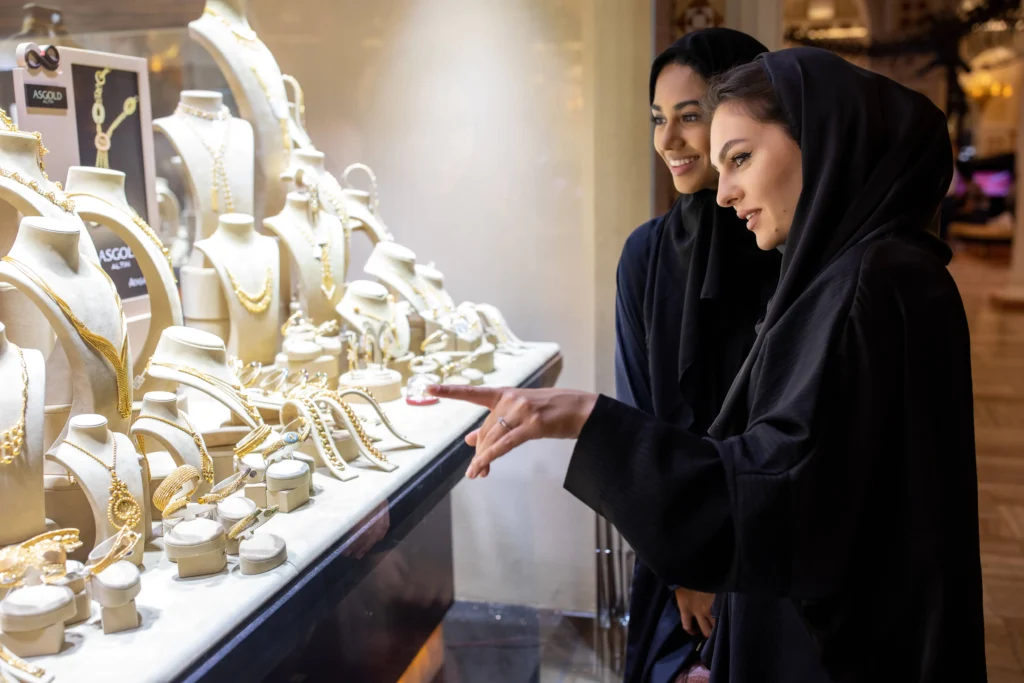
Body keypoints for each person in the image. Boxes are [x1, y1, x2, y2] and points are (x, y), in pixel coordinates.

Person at [429, 47, 986, 682]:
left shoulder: (867, 284)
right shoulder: (871, 273)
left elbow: (784, 490)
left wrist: (587, 419)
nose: (725, 193)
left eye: (742, 158)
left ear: (821, 141)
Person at [614, 29, 779, 683]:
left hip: (769, 555)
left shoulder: (783, 245)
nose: (669, 140)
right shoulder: (645, 255)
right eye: (659, 118)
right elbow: (640, 421)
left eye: (691, 115)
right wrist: (686, 565)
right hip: (674, 553)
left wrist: (727, 573)